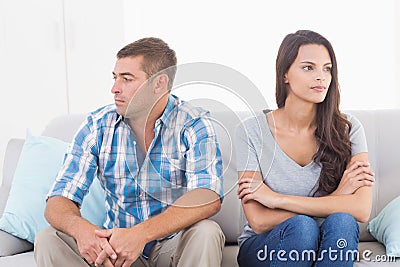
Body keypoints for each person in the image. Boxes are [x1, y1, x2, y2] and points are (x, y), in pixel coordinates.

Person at [34, 37, 225, 267]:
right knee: (48, 239)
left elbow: (207, 196)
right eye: (115, 78)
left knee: (206, 232)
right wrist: (82, 230)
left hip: (172, 246)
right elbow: (58, 200)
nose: (114, 88)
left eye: (127, 79)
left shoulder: (193, 122)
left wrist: (140, 234)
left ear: (159, 84)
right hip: (117, 252)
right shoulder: (98, 126)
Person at [235, 30, 374, 266]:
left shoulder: (348, 129)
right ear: (285, 74)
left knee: (343, 222)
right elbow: (258, 220)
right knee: (302, 227)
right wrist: (338, 198)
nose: (321, 77)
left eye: (327, 68)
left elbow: (361, 209)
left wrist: (277, 199)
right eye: (308, 67)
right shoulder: (250, 131)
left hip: (327, 238)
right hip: (264, 246)